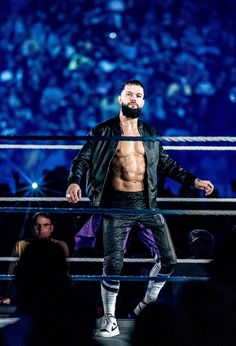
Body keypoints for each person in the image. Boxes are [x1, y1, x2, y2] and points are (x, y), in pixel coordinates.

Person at [66, 79, 214, 338]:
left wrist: (194, 180)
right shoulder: (102, 131)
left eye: (139, 95)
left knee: (169, 259)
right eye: (129, 94)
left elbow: (167, 164)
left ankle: (147, 303)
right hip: (116, 203)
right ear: (119, 98)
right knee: (113, 261)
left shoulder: (150, 133)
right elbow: (83, 159)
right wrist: (74, 182)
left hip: (146, 202)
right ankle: (109, 316)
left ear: (143, 101)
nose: (134, 98)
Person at [1, 212, 69, 305]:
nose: (41, 229)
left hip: (52, 294)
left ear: (51, 228)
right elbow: (12, 275)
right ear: (32, 228)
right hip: (28, 294)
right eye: (37, 225)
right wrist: (9, 296)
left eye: (45, 225)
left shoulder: (60, 245)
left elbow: (65, 275)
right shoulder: (21, 245)